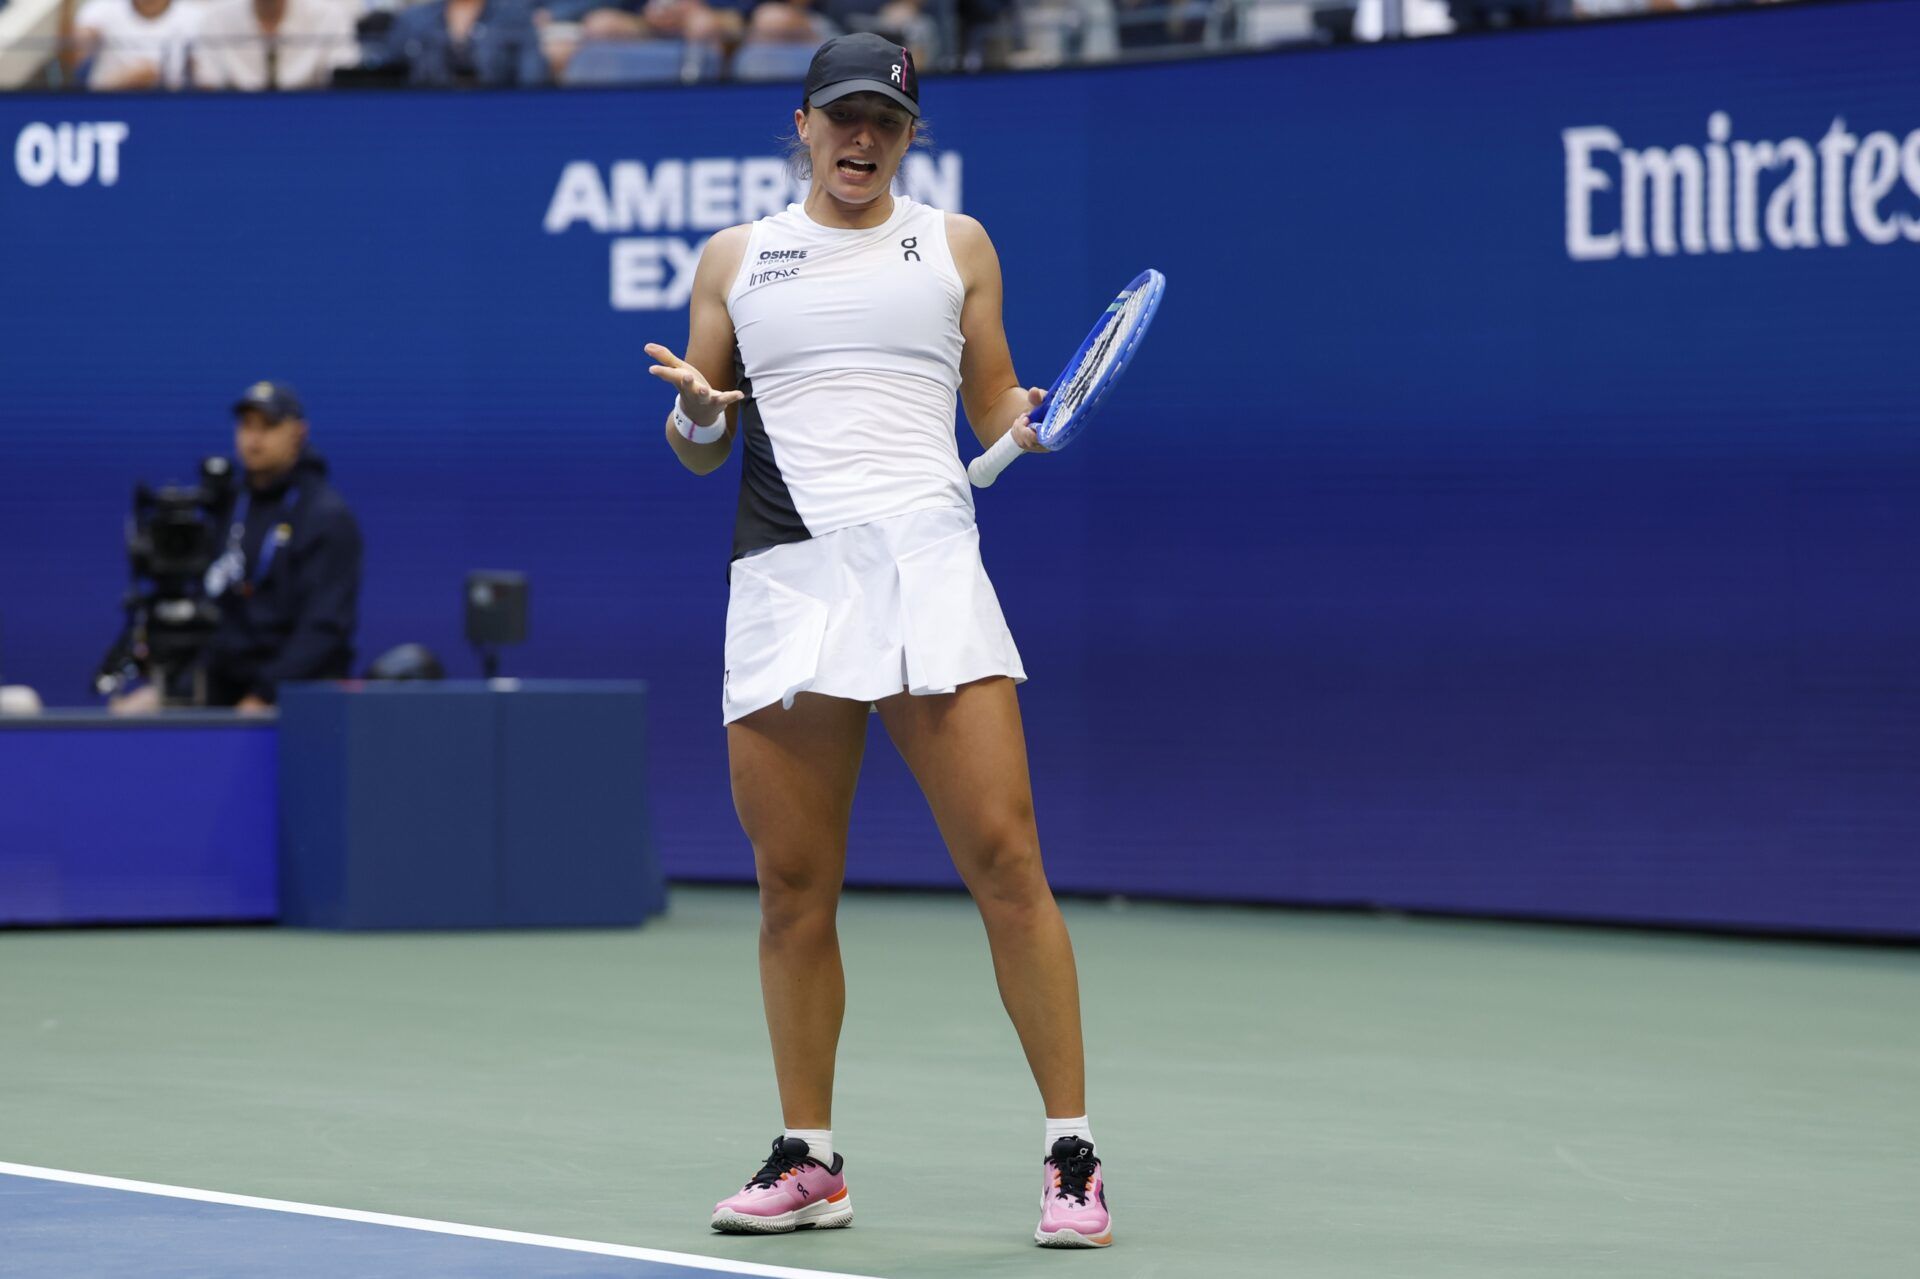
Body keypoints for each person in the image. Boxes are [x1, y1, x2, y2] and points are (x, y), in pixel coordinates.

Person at [645, 32, 1113, 1250]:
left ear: (910, 137)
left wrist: (1025, 417)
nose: (863, 138)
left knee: (1007, 862)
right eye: (843, 117)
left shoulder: (957, 244)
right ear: (803, 125)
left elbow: (991, 397)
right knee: (791, 888)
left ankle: (1072, 1154)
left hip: (927, 573)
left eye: (887, 122)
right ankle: (811, 1159)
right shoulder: (734, 259)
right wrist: (695, 414)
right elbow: (700, 446)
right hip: (789, 584)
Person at [113, 381, 363, 713]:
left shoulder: (325, 516)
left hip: (295, 697)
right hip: (227, 685)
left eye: (268, 426)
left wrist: (262, 696)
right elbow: (218, 613)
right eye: (246, 425)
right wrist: (176, 689)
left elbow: (324, 628)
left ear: (297, 433)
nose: (253, 439)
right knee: (134, 714)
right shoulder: (230, 505)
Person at [191, 0, 358, 90]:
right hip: (234, 121)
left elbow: (345, 81)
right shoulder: (215, 20)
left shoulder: (329, 17)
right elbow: (207, 83)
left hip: (312, 120)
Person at [384, 0, 549, 86]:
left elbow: (532, 80)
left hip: (498, 116)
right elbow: (387, 76)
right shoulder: (413, 19)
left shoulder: (515, 19)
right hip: (427, 117)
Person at [69, 0, 202, 90]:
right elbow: (72, 58)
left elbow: (204, 80)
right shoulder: (102, 7)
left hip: (171, 107)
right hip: (106, 105)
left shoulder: (195, 16)